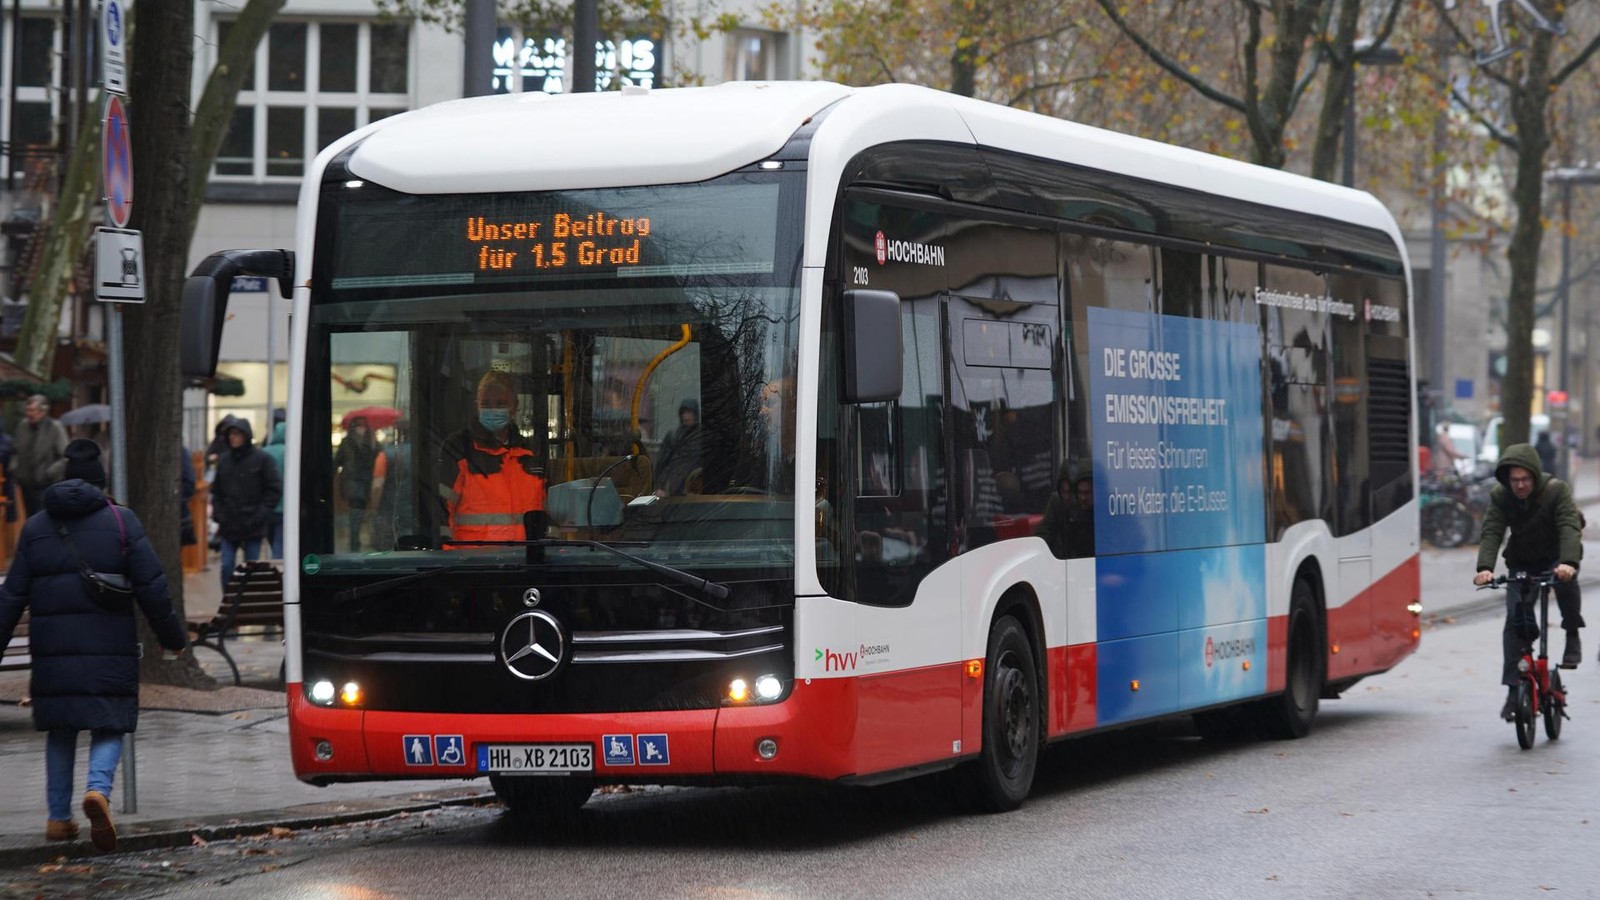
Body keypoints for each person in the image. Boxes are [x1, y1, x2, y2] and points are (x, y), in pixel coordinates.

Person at [0, 439, 188, 852]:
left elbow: (11, 596)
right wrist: (173, 639)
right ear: (101, 482)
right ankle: (97, 792)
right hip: (109, 647)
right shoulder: (122, 522)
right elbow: (153, 589)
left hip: (53, 652)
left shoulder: (35, 527)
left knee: (61, 729)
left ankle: (57, 819)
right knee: (111, 721)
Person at [1473, 443, 1583, 720]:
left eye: (1525, 479)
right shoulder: (1502, 496)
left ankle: (1572, 634)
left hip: (1556, 557)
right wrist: (1485, 568)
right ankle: (1513, 691)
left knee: (1566, 583)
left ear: (1534, 476)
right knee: (1514, 622)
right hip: (1522, 561)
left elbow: (1569, 527)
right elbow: (1492, 530)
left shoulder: (1557, 491)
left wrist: (1568, 562)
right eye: (1514, 480)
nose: (1520, 486)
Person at [442, 371, 545, 544]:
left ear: (515, 406)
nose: (493, 409)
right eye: (486, 404)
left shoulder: (530, 455)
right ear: (477, 406)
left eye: (501, 403)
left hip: (524, 564)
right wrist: (448, 561)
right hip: (472, 565)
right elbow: (440, 510)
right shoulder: (459, 448)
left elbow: (547, 514)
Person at [211, 419, 282, 588]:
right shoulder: (224, 461)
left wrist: (260, 514)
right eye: (231, 434)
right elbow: (217, 491)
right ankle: (229, 602)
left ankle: (247, 600)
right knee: (227, 566)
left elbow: (273, 490)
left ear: (246, 436)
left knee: (251, 569)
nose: (234, 438)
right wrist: (219, 514)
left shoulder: (262, 459)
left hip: (252, 524)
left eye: (237, 434)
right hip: (229, 524)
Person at [12, 394, 67, 518]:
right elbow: (15, 450)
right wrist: (15, 468)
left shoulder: (55, 427)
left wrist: (50, 472)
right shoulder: (23, 426)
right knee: (30, 517)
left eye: (32, 410)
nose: (28, 413)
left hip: (47, 484)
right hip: (26, 483)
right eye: (27, 410)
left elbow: (65, 456)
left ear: (43, 411)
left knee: (42, 517)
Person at [333, 417, 384, 552]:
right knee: (355, 515)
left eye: (362, 426)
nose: (360, 429)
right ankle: (355, 544)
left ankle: (370, 541)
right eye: (358, 426)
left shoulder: (372, 442)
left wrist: (374, 443)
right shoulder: (346, 443)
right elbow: (337, 462)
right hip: (353, 484)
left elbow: (379, 457)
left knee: (368, 513)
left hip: (368, 483)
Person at [1034, 463, 1095, 559]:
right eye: (1064, 491)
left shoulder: (1098, 508)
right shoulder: (1057, 503)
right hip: (1063, 563)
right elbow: (1044, 535)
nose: (1067, 497)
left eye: (1070, 492)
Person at [655, 398, 703, 496]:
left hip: (695, 488)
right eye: (683, 413)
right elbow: (663, 464)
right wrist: (660, 487)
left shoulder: (702, 436)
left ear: (695, 414)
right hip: (672, 490)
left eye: (689, 413)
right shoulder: (673, 436)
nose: (686, 416)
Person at [261, 421, 288, 558]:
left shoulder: (264, 452)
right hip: (285, 507)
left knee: (272, 539)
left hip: (267, 506)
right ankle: (280, 570)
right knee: (280, 541)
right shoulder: (290, 452)